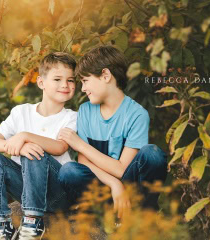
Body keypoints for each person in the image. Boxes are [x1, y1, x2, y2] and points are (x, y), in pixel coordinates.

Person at [58, 45, 167, 220]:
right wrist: (114, 184)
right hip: (101, 187)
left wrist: (79, 144)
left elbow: (123, 170)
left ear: (106, 76)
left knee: (152, 154)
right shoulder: (85, 111)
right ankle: (106, 211)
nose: (83, 89)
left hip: (129, 186)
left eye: (85, 81)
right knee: (69, 171)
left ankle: (144, 213)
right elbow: (84, 164)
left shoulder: (137, 114)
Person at [0, 52, 77, 240]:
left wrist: (24, 137)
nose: (65, 85)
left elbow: (59, 147)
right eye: (57, 79)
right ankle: (0, 225)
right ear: (41, 82)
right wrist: (17, 145)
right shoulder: (21, 112)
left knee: (33, 149)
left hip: (57, 194)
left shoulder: (72, 117)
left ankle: (33, 221)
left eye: (71, 80)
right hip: (25, 190)